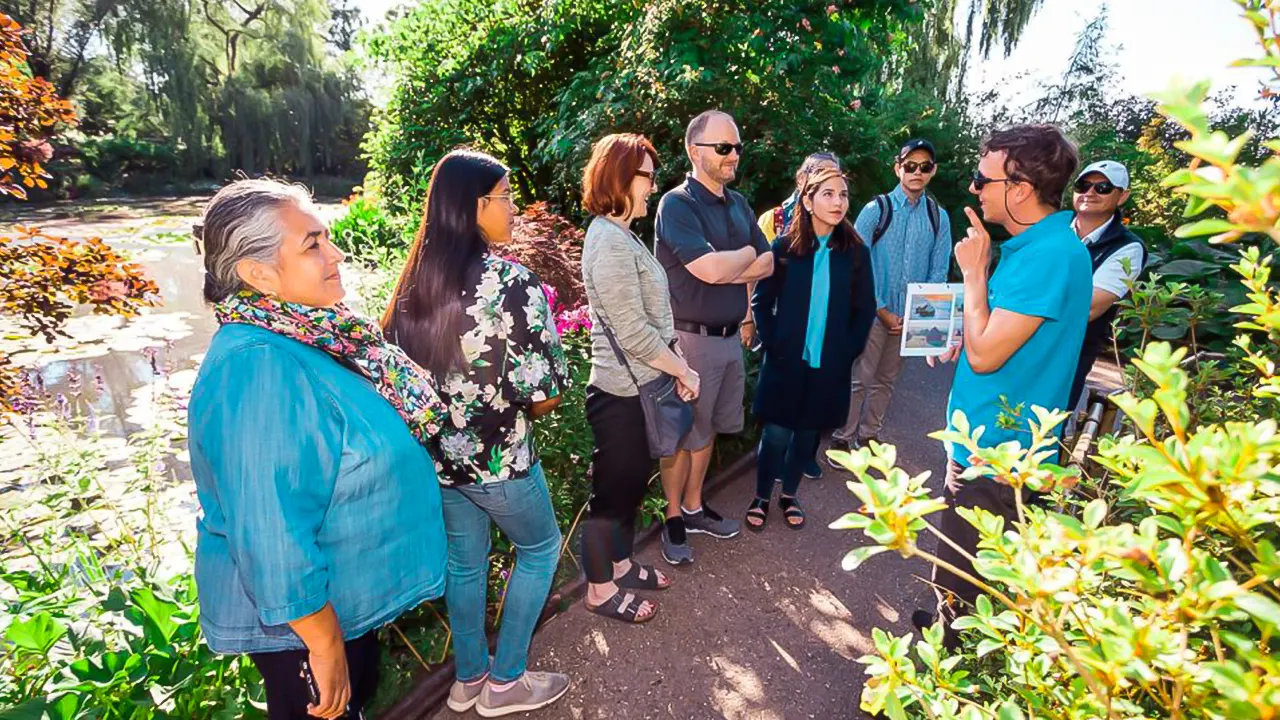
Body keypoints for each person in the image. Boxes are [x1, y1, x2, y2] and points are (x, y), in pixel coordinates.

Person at [188, 178, 449, 719]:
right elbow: (268, 525)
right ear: (258, 274)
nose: (335, 254)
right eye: (312, 244)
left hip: (337, 612)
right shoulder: (257, 365)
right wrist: (324, 641)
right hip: (303, 632)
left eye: (326, 238)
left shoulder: (307, 336)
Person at [381, 149, 571, 717]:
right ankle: (507, 680)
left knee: (465, 565)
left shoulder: (413, 282)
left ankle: (468, 681)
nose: (513, 207)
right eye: (506, 197)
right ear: (474, 205)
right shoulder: (512, 283)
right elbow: (546, 395)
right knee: (540, 550)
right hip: (501, 464)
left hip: (440, 463)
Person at [914, 125, 1092, 646]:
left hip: (999, 457)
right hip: (985, 444)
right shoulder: (1039, 247)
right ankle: (945, 623)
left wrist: (974, 273)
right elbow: (991, 334)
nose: (974, 188)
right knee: (958, 567)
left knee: (973, 587)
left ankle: (936, 682)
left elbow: (988, 354)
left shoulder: (1049, 255)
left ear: (1018, 187)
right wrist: (962, 331)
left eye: (982, 178)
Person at [579, 133, 701, 623]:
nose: (653, 185)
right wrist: (684, 368)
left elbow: (651, 322)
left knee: (628, 488)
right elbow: (633, 333)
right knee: (610, 494)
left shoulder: (622, 233)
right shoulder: (608, 241)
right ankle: (599, 589)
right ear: (621, 177)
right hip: (618, 394)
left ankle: (622, 564)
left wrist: (674, 364)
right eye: (647, 175)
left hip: (639, 387)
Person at [654, 109, 774, 565]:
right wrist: (742, 254)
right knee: (683, 434)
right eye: (724, 147)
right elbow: (706, 268)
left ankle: (694, 506)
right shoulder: (677, 205)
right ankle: (672, 519)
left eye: (737, 147)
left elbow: (768, 265)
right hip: (690, 341)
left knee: (707, 433)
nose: (733, 155)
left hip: (728, 340)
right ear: (694, 150)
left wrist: (729, 265)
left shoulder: (739, 204)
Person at [747, 167, 876, 530]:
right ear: (808, 200)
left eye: (844, 195)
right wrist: (773, 341)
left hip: (829, 365)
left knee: (807, 435)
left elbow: (864, 308)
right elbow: (761, 300)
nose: (838, 202)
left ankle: (789, 495)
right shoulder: (785, 248)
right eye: (829, 194)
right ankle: (761, 496)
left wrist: (847, 350)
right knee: (775, 433)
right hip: (786, 360)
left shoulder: (855, 254)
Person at [829, 139, 952, 462]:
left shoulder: (939, 217)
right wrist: (880, 309)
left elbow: (938, 272)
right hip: (871, 311)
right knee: (859, 377)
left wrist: (920, 319)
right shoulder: (876, 210)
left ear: (933, 171)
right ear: (898, 168)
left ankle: (870, 434)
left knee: (887, 380)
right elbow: (855, 262)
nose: (917, 172)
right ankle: (842, 439)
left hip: (910, 318)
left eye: (924, 166)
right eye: (910, 165)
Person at [756, 151, 842, 482]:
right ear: (802, 179)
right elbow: (758, 274)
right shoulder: (774, 220)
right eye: (819, 174)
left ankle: (804, 454)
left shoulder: (839, 223)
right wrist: (757, 326)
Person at [1067, 160, 1147, 409]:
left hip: (1070, 356)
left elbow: (1088, 308)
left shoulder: (1128, 248)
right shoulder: (1053, 230)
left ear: (1122, 196)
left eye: (1103, 187)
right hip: (1017, 347)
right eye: (1083, 185)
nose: (1090, 193)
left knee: (1044, 433)